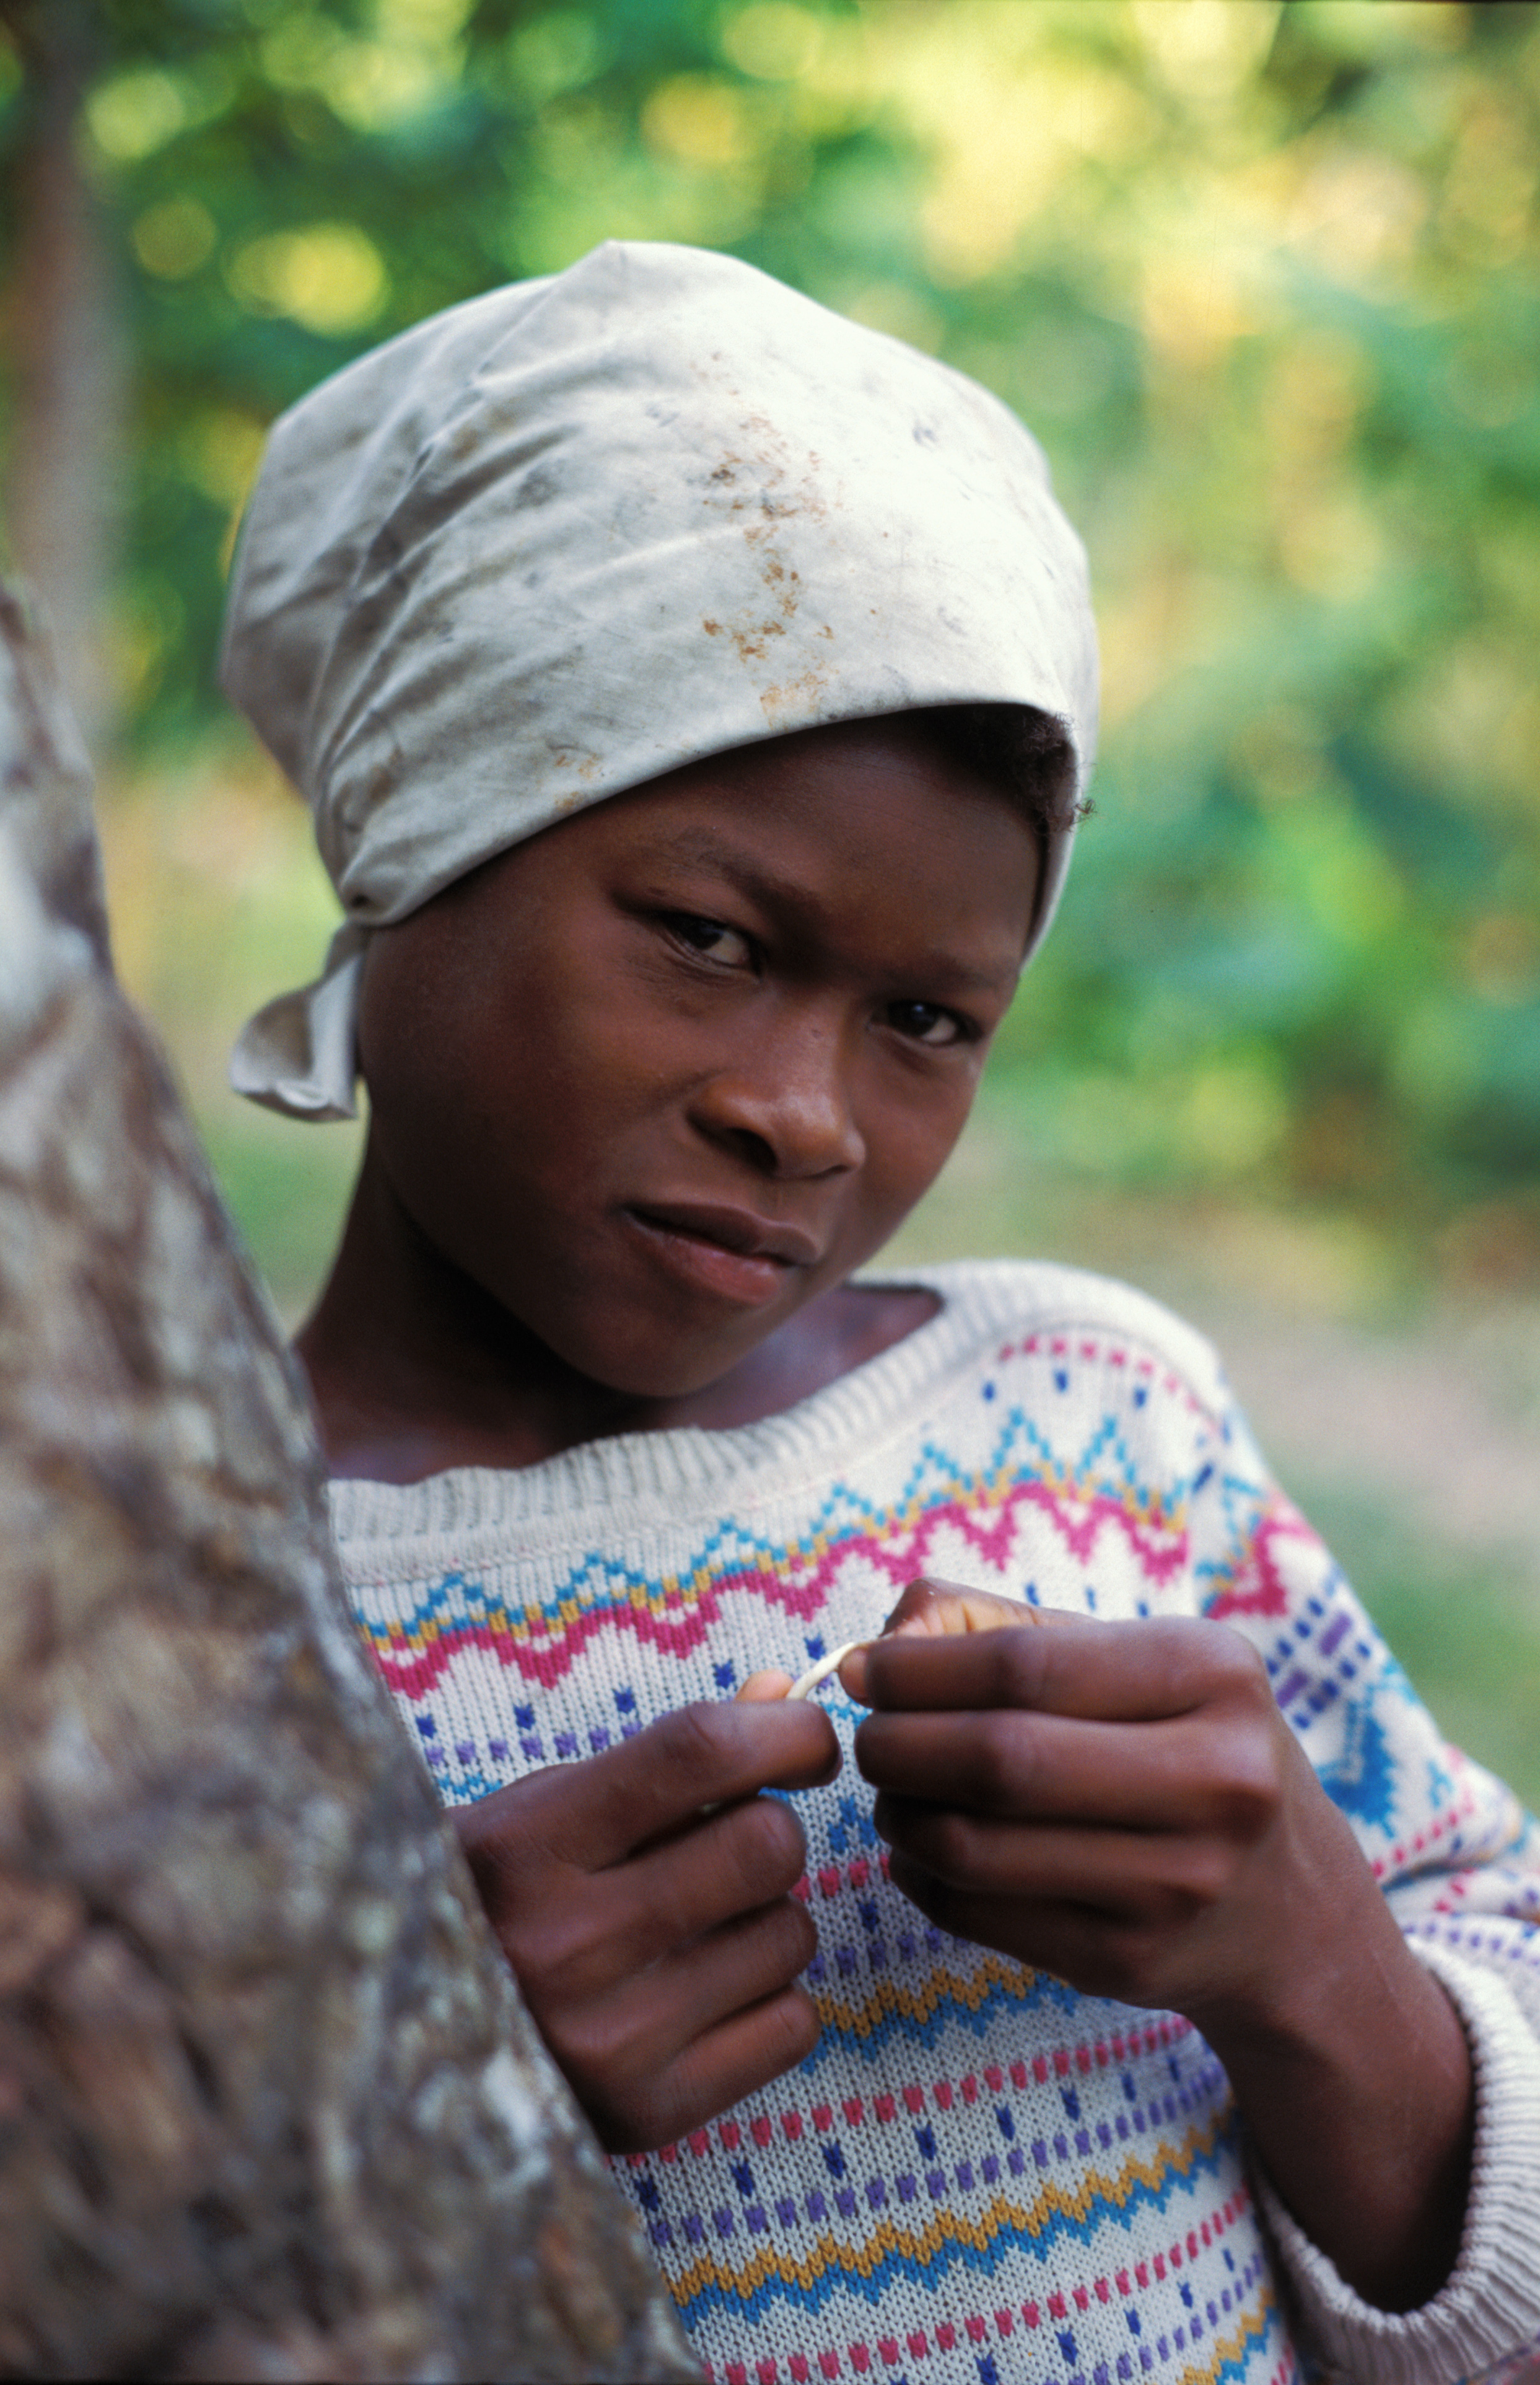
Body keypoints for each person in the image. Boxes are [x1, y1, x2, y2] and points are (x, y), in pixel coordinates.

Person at [221, 241, 1540, 2385]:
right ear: (416, 837)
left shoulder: (1102, 1426)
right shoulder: (167, 1636)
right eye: (711, 939)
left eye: (928, 1016)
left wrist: (1324, 1968)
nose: (804, 1115)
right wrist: (390, 2141)